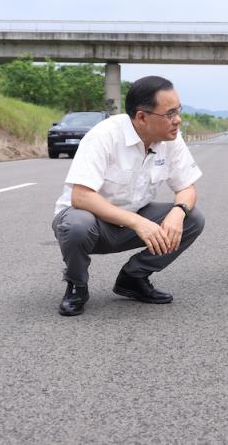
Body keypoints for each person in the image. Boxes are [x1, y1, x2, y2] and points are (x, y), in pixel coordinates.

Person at [51, 76, 205, 317]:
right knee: (77, 225)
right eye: (170, 113)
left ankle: (133, 278)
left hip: (132, 220)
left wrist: (178, 212)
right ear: (141, 117)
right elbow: (81, 197)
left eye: (178, 110)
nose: (178, 120)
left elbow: (187, 188)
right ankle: (76, 285)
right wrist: (138, 222)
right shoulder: (105, 136)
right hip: (93, 225)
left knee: (192, 219)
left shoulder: (171, 139)